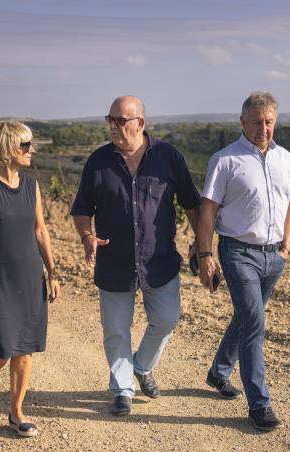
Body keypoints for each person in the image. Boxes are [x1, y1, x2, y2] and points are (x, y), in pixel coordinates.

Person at [70, 95, 201, 416]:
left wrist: (202, 242)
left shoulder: (168, 157)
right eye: (110, 120)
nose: (113, 126)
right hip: (114, 263)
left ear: (140, 123)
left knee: (167, 319)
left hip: (161, 260)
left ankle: (141, 366)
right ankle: (122, 388)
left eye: (121, 121)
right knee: (116, 330)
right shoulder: (98, 161)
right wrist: (87, 235)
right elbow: (82, 209)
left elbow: (191, 203)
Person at [195, 91, 290, 432]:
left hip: (274, 257)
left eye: (269, 121)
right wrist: (205, 255)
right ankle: (260, 405)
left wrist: (286, 246)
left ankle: (218, 373)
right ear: (243, 122)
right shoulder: (225, 160)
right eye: (256, 121)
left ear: (275, 121)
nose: (263, 128)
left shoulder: (286, 158)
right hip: (238, 253)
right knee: (255, 324)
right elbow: (208, 211)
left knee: (245, 317)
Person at [0, 121, 59, 437]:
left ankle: (16, 411)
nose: (31, 150)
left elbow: (40, 230)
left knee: (24, 347)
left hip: (29, 276)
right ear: (8, 150)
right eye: (25, 145)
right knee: (0, 349)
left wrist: (52, 271)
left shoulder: (32, 185)